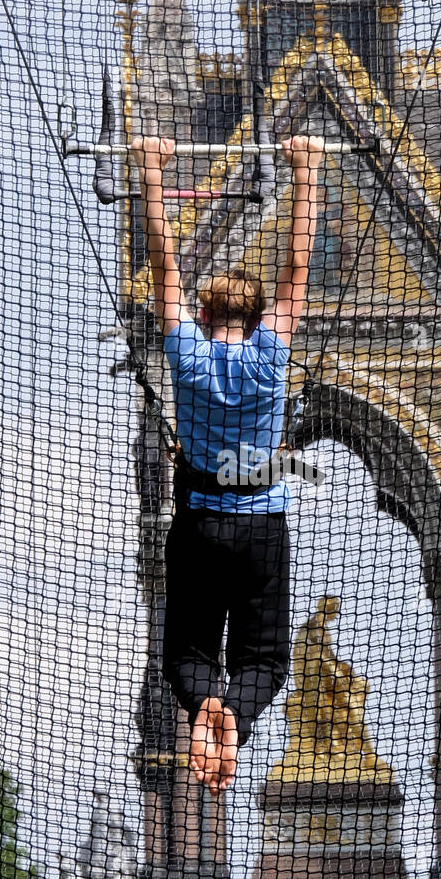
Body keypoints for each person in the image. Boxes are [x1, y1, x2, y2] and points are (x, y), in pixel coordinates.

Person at [132, 133, 322, 796]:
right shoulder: (271, 356)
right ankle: (234, 712)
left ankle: (204, 701)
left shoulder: (186, 351)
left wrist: (150, 170)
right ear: (263, 316)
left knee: (184, 652)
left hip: (197, 523)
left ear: (205, 313)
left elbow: (162, 265)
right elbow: (298, 268)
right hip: (262, 527)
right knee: (266, 659)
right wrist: (307, 169)